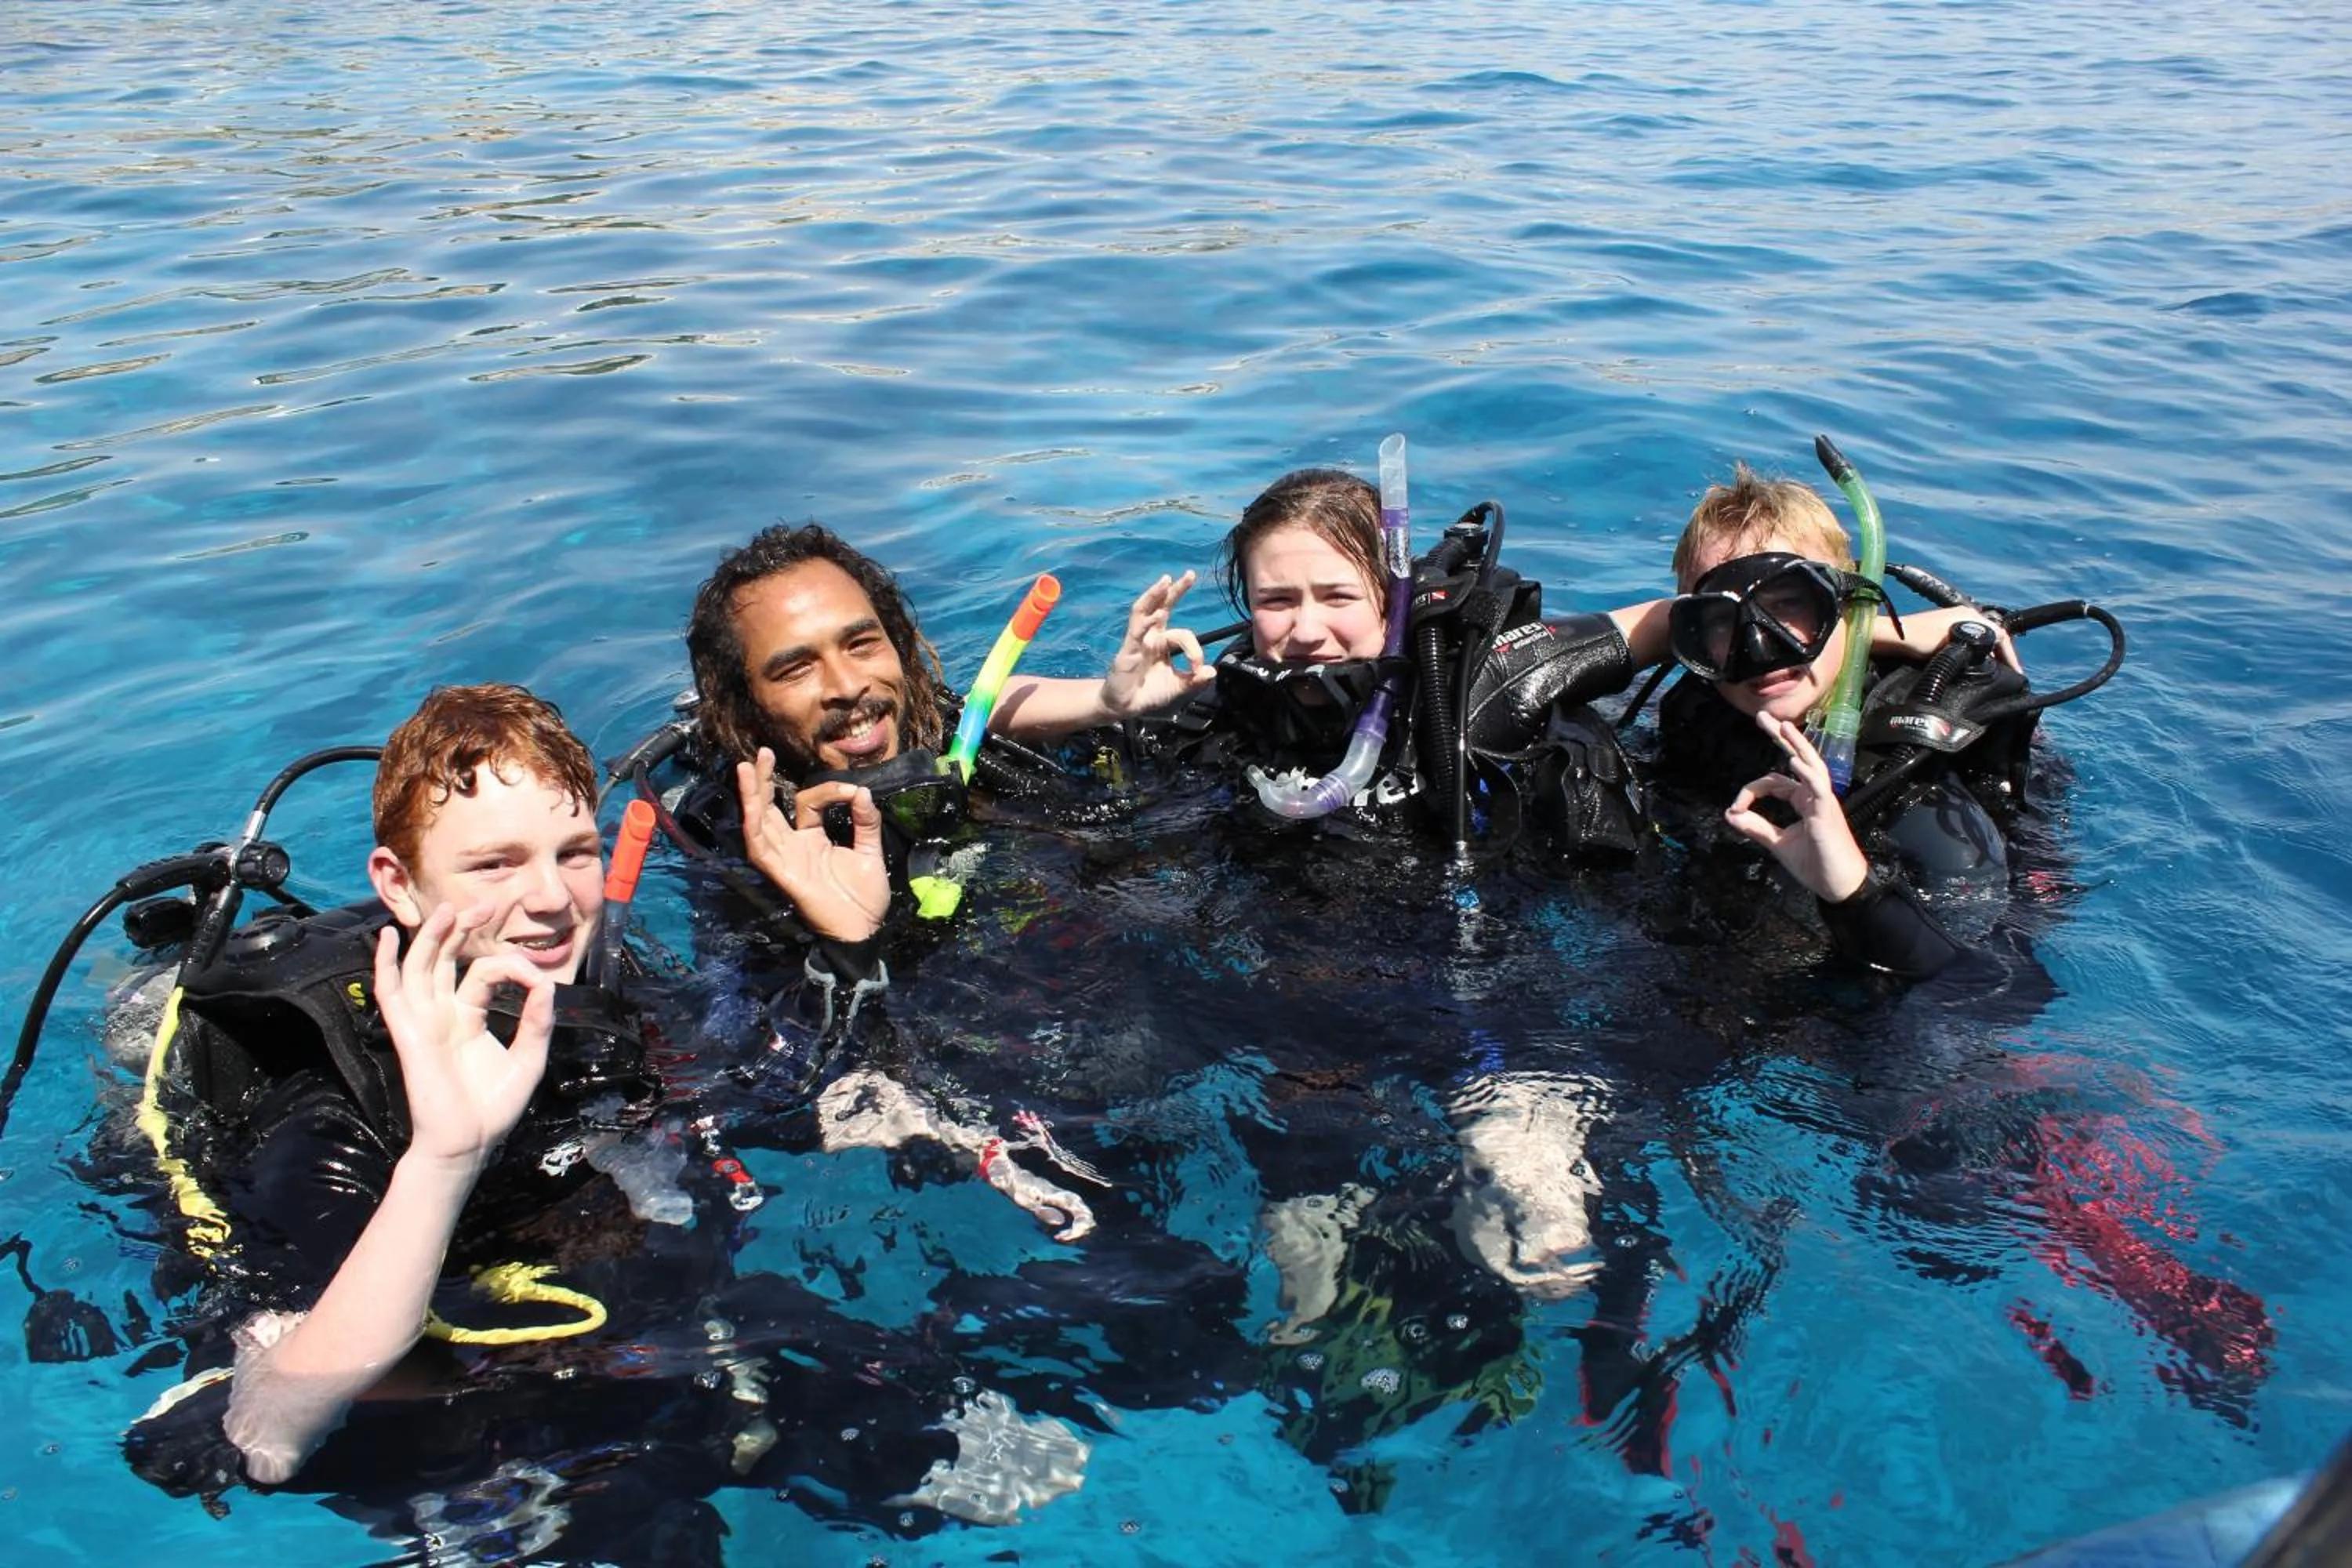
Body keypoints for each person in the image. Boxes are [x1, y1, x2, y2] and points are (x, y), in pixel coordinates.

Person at [121, 684, 1094, 1560]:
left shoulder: (594, 987)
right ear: (398, 884)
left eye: (573, 852)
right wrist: (445, 1153)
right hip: (445, 1383)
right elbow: (270, 1433)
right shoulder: (331, 1112)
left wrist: (946, 1124)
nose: (549, 900)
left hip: (575, 1295)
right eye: (495, 862)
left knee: (874, 1404)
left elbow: (736, 1089)